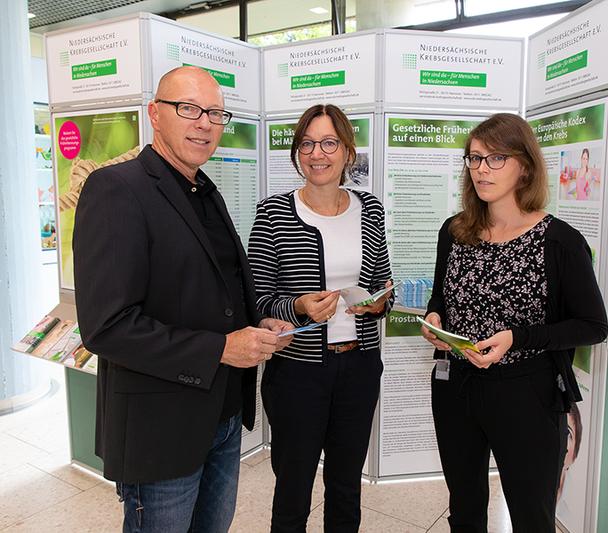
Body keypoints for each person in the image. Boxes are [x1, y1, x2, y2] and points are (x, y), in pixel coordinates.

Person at [73, 66, 293, 533]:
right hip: (161, 429)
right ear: (155, 114)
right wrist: (219, 349)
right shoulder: (117, 190)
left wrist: (260, 324)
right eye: (188, 108)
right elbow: (106, 326)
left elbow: (220, 287)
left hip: (224, 413)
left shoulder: (205, 191)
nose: (205, 123)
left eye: (215, 112)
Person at [420, 113, 608, 532]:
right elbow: (441, 297)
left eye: (496, 158)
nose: (482, 169)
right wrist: (435, 319)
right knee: (464, 507)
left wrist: (517, 338)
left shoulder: (559, 240)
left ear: (525, 165)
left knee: (530, 514)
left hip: (527, 393)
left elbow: (593, 325)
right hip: (456, 389)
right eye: (474, 159)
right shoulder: (454, 231)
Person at [248, 103, 393, 533]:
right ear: (297, 152)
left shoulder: (370, 208)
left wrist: (379, 302)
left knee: (346, 486)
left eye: (329, 142)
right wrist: (298, 306)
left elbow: (384, 280)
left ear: (348, 151)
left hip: (359, 366)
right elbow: (256, 298)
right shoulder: (273, 213)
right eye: (308, 143)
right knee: (293, 488)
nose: (318, 153)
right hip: (298, 374)